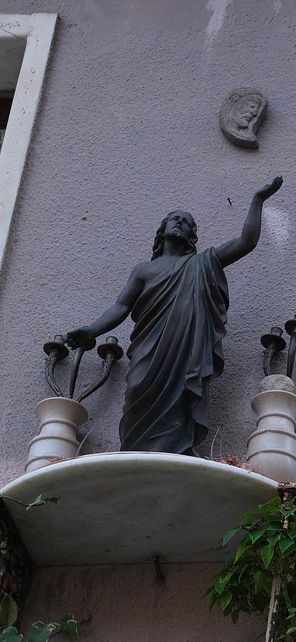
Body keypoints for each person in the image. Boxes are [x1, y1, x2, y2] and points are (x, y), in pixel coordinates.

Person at [66, 177, 283, 455]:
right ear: (163, 229)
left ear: (192, 236)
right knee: (136, 390)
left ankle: (177, 452)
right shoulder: (143, 270)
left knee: (181, 397)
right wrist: (91, 331)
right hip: (149, 350)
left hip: (186, 351)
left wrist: (258, 199)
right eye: (175, 219)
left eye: (187, 222)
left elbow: (246, 242)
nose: (180, 223)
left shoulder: (202, 263)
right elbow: (120, 308)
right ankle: (136, 455)